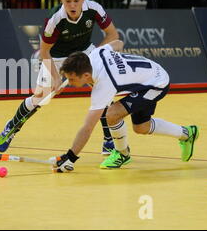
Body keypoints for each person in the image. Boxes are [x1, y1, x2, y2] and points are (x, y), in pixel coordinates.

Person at [0, 0, 119, 154]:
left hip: (86, 52)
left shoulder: (94, 8)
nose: (73, 5)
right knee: (41, 97)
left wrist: (92, 56)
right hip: (57, 57)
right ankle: (12, 126)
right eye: (68, 1)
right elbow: (44, 51)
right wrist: (55, 76)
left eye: (76, 0)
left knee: (103, 90)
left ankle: (108, 140)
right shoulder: (55, 19)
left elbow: (112, 34)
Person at [50, 41, 199, 172]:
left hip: (156, 84)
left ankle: (122, 154)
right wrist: (121, 67)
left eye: (71, 79)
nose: (68, 82)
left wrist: (70, 157)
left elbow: (87, 128)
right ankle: (187, 134)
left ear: (86, 76)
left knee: (112, 114)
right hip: (150, 73)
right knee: (141, 127)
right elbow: (118, 43)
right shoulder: (96, 54)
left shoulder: (104, 85)